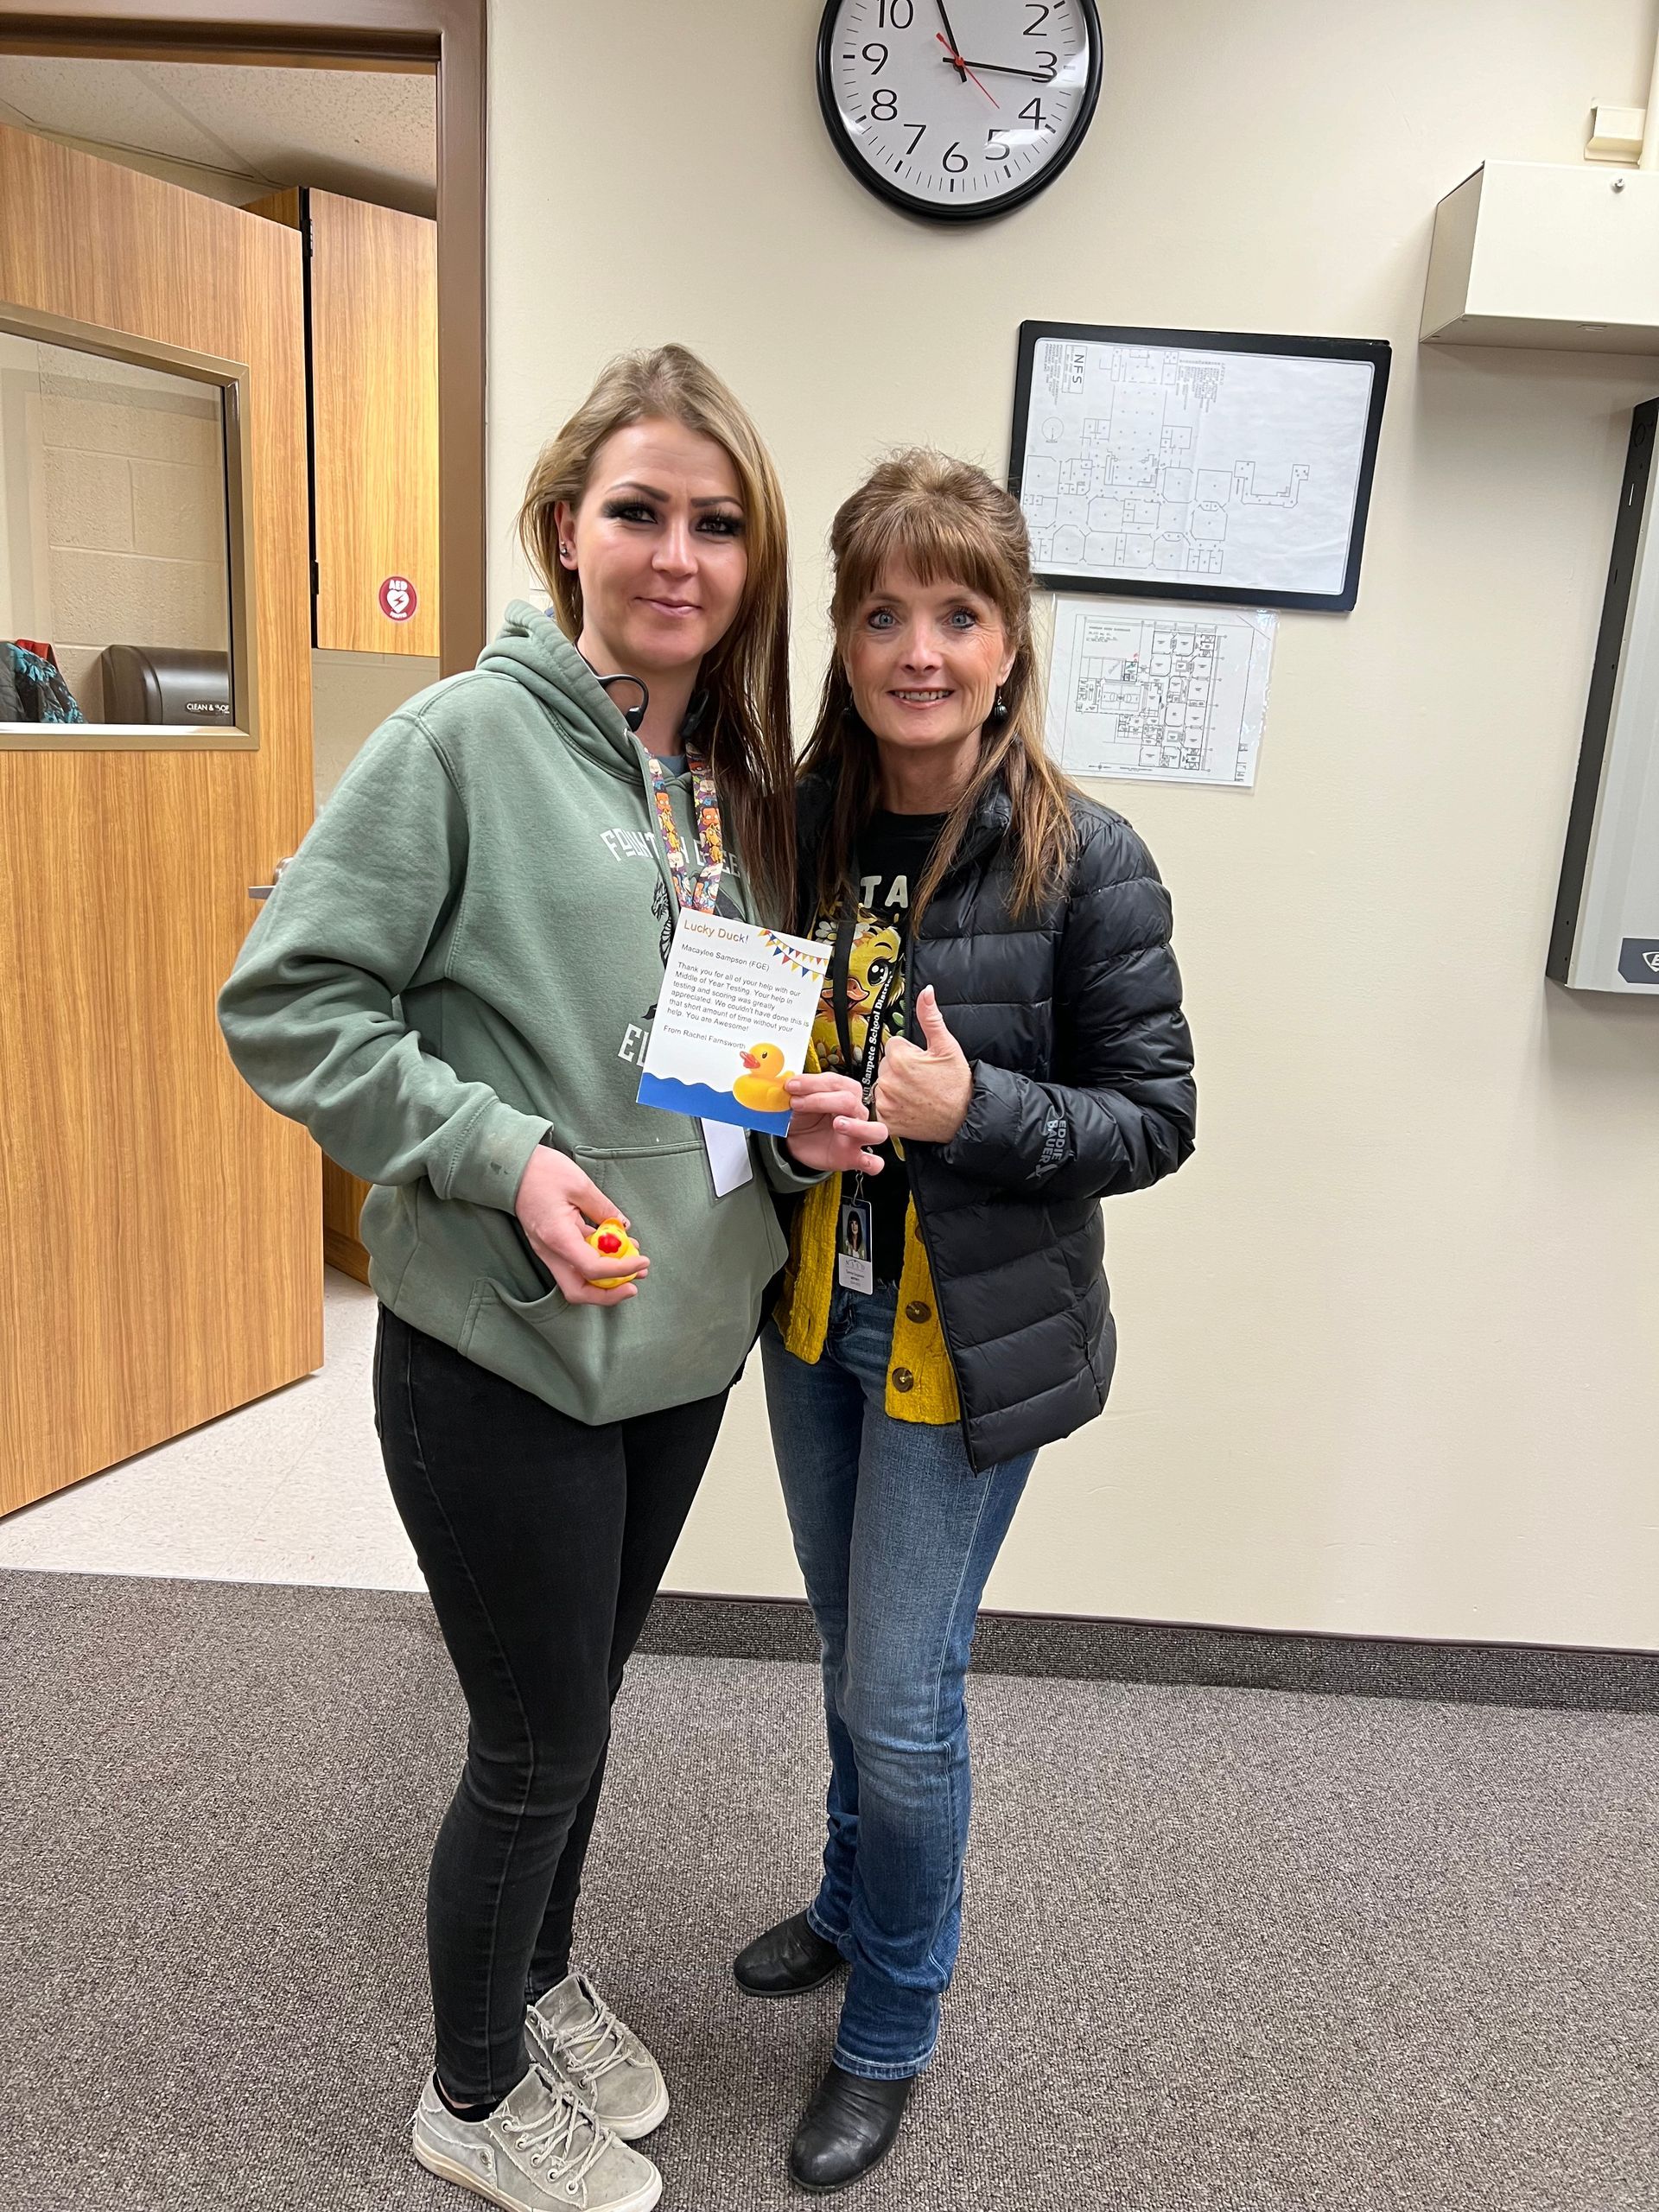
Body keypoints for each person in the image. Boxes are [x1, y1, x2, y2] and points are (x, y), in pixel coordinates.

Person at [218, 345, 881, 2212]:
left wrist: (795, 1125)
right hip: (497, 1345)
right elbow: (288, 1003)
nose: (679, 553)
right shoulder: (457, 745)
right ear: (565, 529)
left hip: (681, 1335)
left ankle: (535, 1970)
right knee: (535, 1738)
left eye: (717, 521)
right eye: (640, 511)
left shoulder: (732, 782)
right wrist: (503, 1156)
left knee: (584, 1696)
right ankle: (473, 2087)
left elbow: (699, 1054)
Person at [738, 452, 1198, 2193]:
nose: (918, 647)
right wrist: (782, 1120)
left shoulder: (1091, 857)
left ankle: (893, 2020)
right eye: (883, 612)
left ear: (1012, 640)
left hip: (964, 1341)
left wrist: (970, 1110)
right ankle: (855, 1901)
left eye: (958, 610)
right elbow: (757, 1059)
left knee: (902, 1690)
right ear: (845, 637)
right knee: (850, 1654)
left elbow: (1152, 1118)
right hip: (813, 1320)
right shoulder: (795, 821)